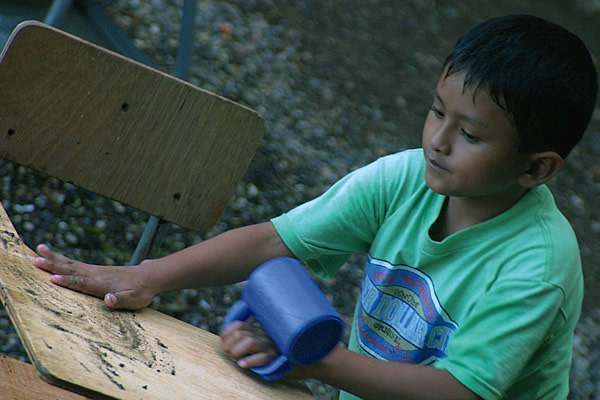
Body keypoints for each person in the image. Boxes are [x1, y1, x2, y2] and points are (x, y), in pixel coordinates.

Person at [34, 14, 597, 400]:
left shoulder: (537, 266)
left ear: (536, 168)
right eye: (435, 111)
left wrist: (318, 362)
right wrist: (147, 276)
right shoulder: (405, 177)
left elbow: (461, 390)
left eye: (470, 134)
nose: (437, 141)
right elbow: (276, 240)